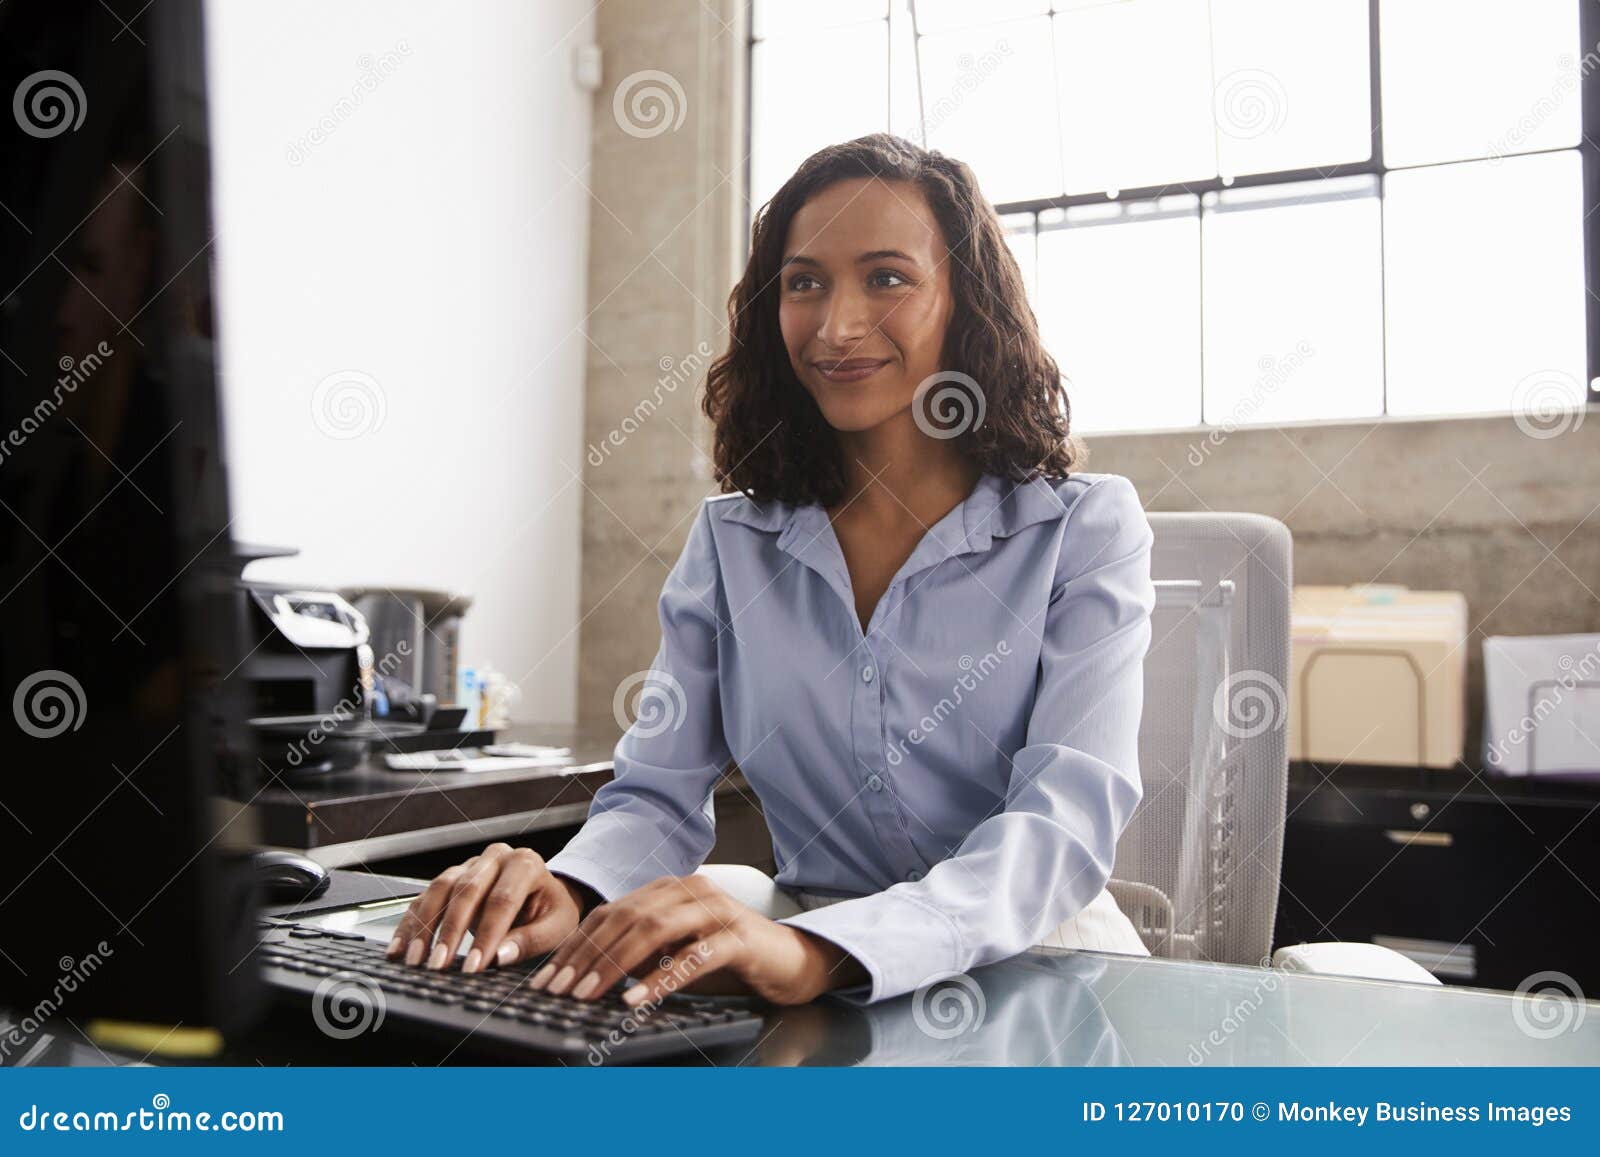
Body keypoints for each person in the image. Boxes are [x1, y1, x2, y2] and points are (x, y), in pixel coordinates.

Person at [388, 133, 1155, 1007]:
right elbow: (655, 798)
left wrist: (818, 949)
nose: (836, 325)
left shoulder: (1084, 529)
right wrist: (569, 890)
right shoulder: (733, 543)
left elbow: (1061, 825)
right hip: (808, 984)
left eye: (888, 277)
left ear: (964, 300)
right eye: (804, 283)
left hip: (1041, 974)